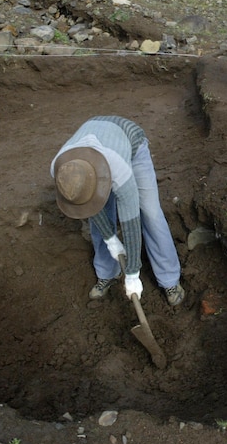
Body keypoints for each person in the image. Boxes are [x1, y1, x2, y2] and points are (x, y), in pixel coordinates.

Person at [51, 116, 185, 306]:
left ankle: (170, 279)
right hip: (96, 138)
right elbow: (87, 206)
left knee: (151, 214)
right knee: (98, 222)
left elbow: (131, 222)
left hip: (131, 144)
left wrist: (132, 273)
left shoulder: (120, 172)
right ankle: (107, 272)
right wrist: (111, 240)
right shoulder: (60, 170)